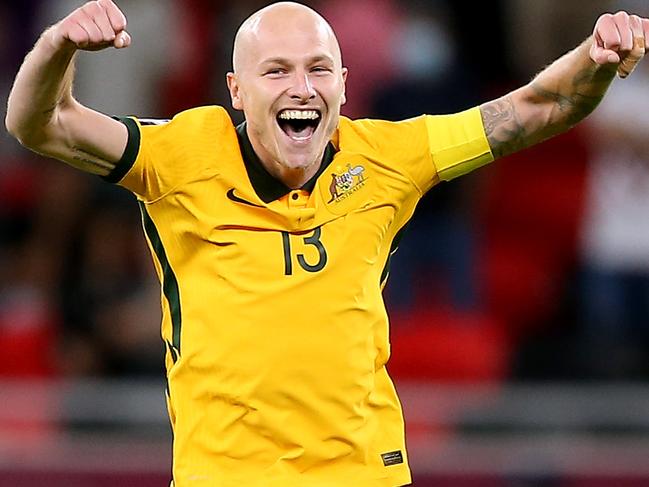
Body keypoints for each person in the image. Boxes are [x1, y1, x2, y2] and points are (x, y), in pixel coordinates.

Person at [5, 1, 649, 485]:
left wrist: (594, 58)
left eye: (318, 69)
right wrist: (59, 45)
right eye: (277, 70)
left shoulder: (389, 156)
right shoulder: (178, 155)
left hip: (365, 473)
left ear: (343, 81)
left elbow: (539, 107)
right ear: (237, 91)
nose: (302, 88)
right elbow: (41, 123)